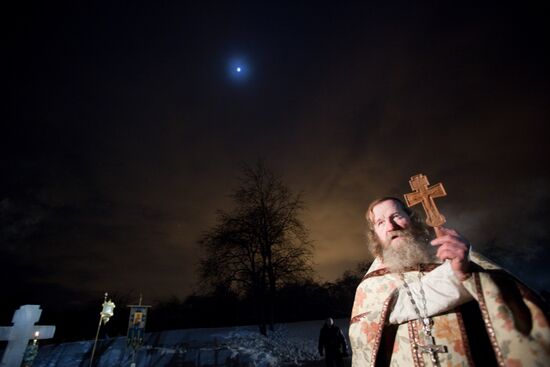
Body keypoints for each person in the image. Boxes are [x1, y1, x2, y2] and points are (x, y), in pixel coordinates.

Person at [349, 197, 550, 367]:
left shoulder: (455, 254)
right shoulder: (371, 285)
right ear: (375, 235)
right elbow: (371, 330)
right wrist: (454, 277)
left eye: (396, 216)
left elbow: (507, 290)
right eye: (381, 222)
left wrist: (468, 272)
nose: (391, 226)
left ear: (412, 220)